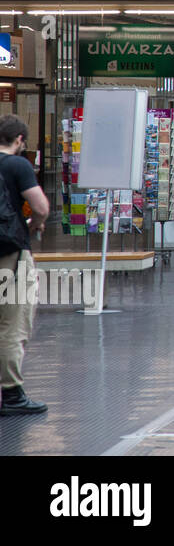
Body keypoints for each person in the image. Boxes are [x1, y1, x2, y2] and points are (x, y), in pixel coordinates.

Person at [0, 115, 48, 416]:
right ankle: (12, 394)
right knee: (12, 324)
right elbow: (41, 207)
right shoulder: (18, 165)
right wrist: (33, 224)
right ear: (19, 138)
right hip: (10, 253)